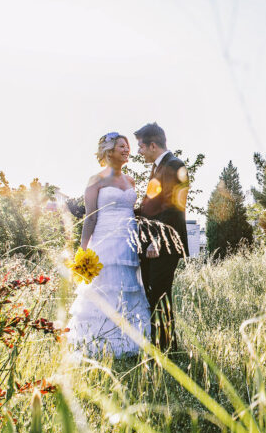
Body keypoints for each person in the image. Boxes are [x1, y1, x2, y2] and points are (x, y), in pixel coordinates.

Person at [65, 132, 150, 357]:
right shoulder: (97, 180)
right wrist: (82, 250)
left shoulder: (130, 180)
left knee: (128, 287)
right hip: (105, 240)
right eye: (122, 146)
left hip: (128, 242)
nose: (127, 150)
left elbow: (135, 214)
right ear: (109, 151)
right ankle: (99, 343)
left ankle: (127, 344)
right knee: (105, 287)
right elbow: (91, 217)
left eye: (128, 146)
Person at [134, 122, 189, 352]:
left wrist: (157, 240)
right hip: (152, 244)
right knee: (153, 295)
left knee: (160, 296)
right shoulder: (157, 168)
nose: (139, 152)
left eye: (141, 147)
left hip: (164, 244)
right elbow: (151, 208)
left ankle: (167, 348)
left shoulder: (175, 165)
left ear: (153, 145)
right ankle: (160, 344)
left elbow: (174, 208)